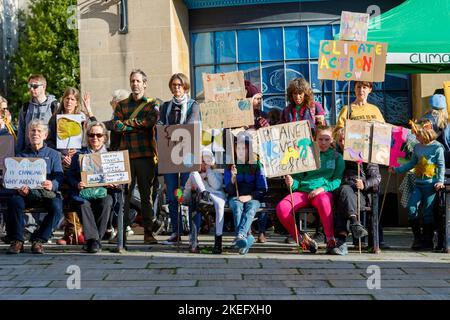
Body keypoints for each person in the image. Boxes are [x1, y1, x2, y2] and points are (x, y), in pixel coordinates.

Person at [276, 126, 344, 254]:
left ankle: (330, 241)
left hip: (322, 193)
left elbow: (337, 180)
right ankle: (302, 240)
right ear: (314, 139)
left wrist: (322, 189)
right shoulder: (305, 153)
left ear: (332, 141)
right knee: (282, 208)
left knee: (324, 200)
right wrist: (291, 182)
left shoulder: (337, 157)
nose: (323, 142)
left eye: (326, 139)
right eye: (320, 139)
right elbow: (297, 180)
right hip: (302, 192)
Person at [112, 69, 161, 245]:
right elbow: (116, 126)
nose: (135, 84)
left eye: (138, 81)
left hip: (146, 155)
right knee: (123, 196)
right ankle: (122, 232)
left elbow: (149, 123)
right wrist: (135, 125)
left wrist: (127, 124)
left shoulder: (152, 104)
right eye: (132, 81)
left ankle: (148, 232)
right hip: (125, 155)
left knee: (146, 197)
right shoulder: (121, 105)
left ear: (145, 84)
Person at [6, 119, 63, 254]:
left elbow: (59, 176)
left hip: (46, 194)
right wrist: (19, 188)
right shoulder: (21, 155)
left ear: (45, 135)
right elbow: (15, 177)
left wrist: (53, 184)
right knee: (14, 201)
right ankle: (18, 240)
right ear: (28, 134)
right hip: (27, 194)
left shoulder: (54, 154)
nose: (35, 133)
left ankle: (39, 239)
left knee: (56, 206)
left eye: (39, 131)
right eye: (32, 130)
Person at [158, 73, 200, 245]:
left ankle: (192, 231)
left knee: (185, 192)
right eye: (174, 85)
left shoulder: (193, 105)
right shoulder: (166, 106)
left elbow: (190, 125)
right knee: (171, 193)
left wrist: (170, 130)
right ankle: (176, 231)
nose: (176, 88)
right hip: (169, 154)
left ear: (185, 87)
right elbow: (160, 125)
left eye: (179, 85)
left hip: (187, 154)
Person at [390, 119, 445, 251]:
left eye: (418, 134)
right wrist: (397, 169)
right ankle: (418, 237)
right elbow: (412, 163)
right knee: (411, 207)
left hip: (431, 185)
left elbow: (441, 165)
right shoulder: (417, 147)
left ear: (425, 134)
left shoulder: (437, 147)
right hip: (418, 184)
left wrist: (440, 181)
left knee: (427, 212)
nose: (415, 136)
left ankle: (427, 240)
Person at [66, 122, 114, 253]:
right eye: (91, 135)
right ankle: (94, 240)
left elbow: (121, 178)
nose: (95, 138)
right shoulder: (79, 155)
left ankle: (93, 241)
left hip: (104, 192)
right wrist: (77, 184)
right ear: (87, 137)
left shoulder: (112, 155)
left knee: (107, 202)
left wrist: (114, 182)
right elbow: (70, 176)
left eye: (99, 135)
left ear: (104, 137)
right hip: (83, 192)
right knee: (82, 204)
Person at [333, 128, 381, 255]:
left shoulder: (365, 154)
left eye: (346, 139)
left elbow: (377, 178)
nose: (343, 142)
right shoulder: (335, 154)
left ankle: (341, 242)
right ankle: (355, 223)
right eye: (340, 140)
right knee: (344, 191)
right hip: (340, 191)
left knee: (345, 197)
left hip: (360, 194)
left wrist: (364, 183)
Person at [224, 136, 268, 255]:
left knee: (251, 208)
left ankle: (241, 236)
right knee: (237, 208)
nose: (241, 151)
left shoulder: (257, 165)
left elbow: (263, 188)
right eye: (238, 148)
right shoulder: (230, 165)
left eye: (244, 148)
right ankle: (245, 237)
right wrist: (233, 178)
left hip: (253, 197)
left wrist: (250, 197)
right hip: (235, 196)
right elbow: (228, 189)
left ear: (249, 149)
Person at [183, 149, 226, 254]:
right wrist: (182, 195)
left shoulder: (215, 171)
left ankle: (218, 241)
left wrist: (208, 171)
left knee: (220, 205)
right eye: (202, 161)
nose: (203, 163)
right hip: (201, 197)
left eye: (206, 161)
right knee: (193, 174)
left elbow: (216, 186)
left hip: (216, 195)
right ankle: (193, 242)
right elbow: (186, 193)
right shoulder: (195, 174)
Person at [16, 74, 59, 153]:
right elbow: (21, 133)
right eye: (30, 86)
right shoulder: (25, 107)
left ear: (43, 87)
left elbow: (60, 132)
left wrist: (60, 154)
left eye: (35, 86)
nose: (31, 89)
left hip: (49, 152)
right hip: (28, 152)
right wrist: (18, 153)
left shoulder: (54, 106)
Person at [420, 93, 450, 167]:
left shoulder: (424, 120)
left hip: (427, 157)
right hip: (444, 158)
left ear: (430, 106)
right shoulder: (446, 122)